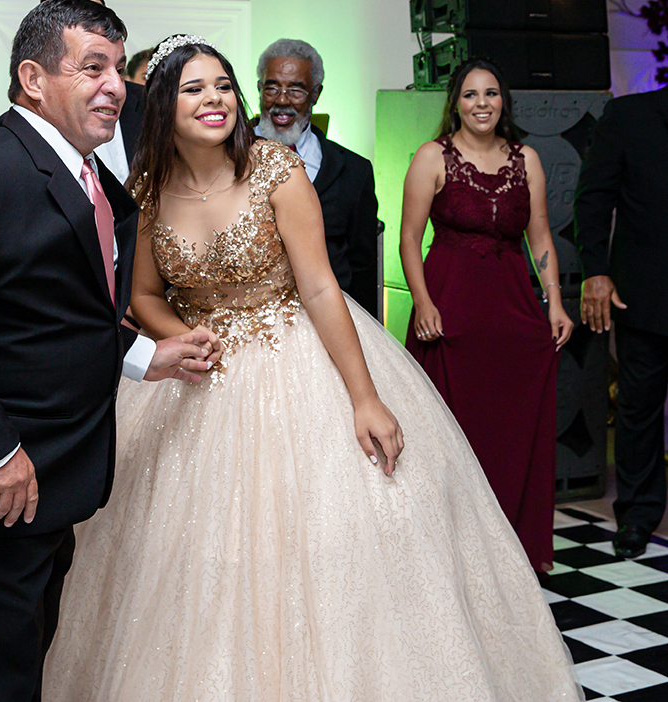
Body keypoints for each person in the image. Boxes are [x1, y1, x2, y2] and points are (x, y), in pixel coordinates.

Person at [43, 36, 583, 701]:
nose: (215, 99)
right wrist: (184, 339)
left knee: (331, 539)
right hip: (198, 377)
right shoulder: (148, 190)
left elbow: (322, 287)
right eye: (194, 89)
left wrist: (365, 397)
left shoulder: (277, 169)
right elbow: (144, 297)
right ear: (162, 107)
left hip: (294, 357)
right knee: (198, 555)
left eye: (223, 85)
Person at [0, 0, 218, 702]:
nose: (116, 86)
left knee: (27, 669)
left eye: (118, 69)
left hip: (54, 483)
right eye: (92, 68)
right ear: (33, 79)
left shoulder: (88, 176)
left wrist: (143, 356)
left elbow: (53, 314)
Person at [400, 57, 573, 572]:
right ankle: (446, 556)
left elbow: (539, 237)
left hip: (511, 315)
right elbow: (409, 238)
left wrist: (555, 301)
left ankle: (509, 555)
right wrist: (423, 302)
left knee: (509, 431)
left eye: (491, 93)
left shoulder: (527, 159)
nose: (482, 103)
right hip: (449, 312)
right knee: (449, 432)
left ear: (504, 102)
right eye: (471, 94)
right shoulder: (432, 156)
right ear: (456, 102)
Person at [574, 86, 668, 558]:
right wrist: (595, 271)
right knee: (639, 408)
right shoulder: (629, 116)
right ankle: (637, 514)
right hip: (646, 295)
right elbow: (593, 199)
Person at [254, 38, 380, 318]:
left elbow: (362, 268)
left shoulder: (354, 171)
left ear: (316, 94)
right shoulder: (226, 157)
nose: (282, 100)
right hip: (248, 320)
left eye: (296, 90)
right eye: (272, 87)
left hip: (327, 320)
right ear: (260, 88)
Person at [41, 0, 145, 182]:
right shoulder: (31, 125)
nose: (98, 32)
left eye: (101, 19)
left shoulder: (146, 101)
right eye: (85, 21)